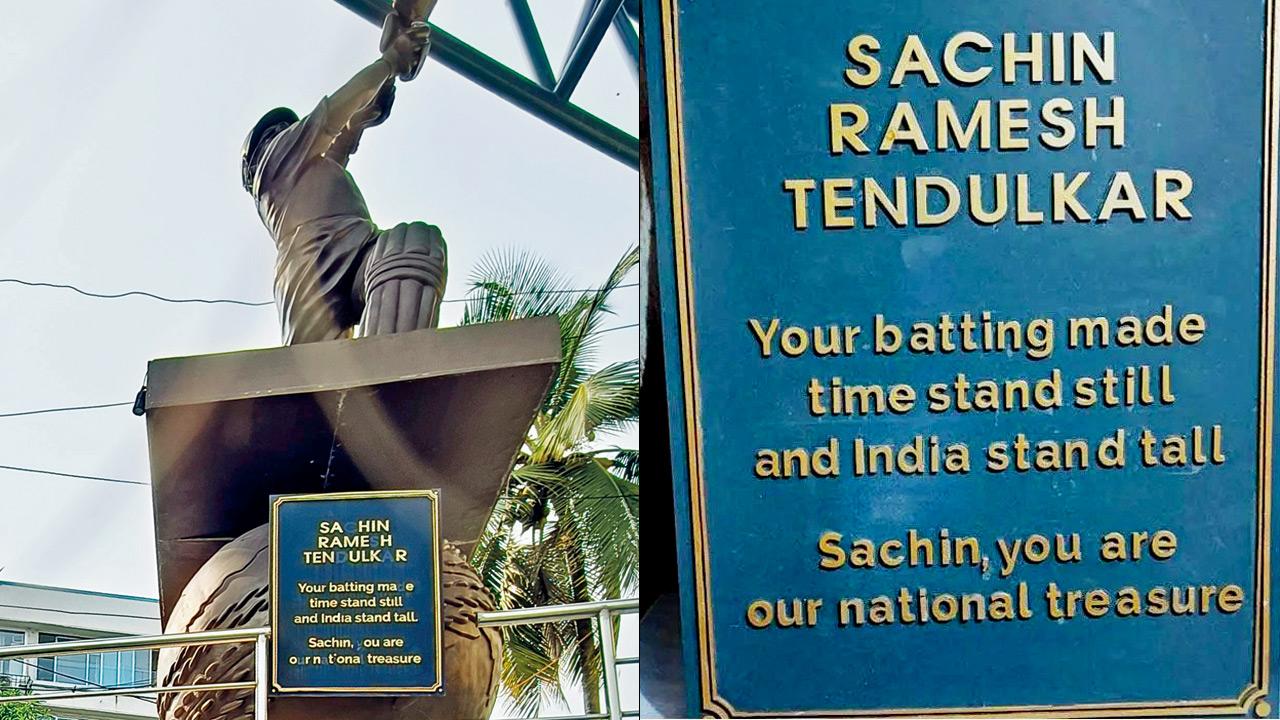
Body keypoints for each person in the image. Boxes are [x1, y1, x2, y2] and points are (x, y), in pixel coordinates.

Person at [241, 19, 445, 345]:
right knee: (314, 378)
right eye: (277, 131)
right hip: (309, 264)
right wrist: (389, 61)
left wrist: (389, 78)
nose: (285, 133)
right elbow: (334, 116)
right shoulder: (272, 167)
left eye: (287, 128)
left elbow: (351, 125)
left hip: (355, 242)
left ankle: (393, 372)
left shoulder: (316, 168)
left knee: (413, 243)